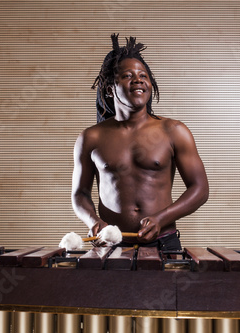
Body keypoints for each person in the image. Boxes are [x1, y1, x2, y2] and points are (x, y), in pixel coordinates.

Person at [71, 34, 209, 251]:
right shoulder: (91, 138)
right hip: (111, 245)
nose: (138, 80)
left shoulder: (174, 131)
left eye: (143, 75)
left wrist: (161, 218)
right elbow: (80, 194)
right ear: (109, 89)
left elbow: (200, 188)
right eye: (127, 75)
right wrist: (93, 222)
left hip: (164, 243)